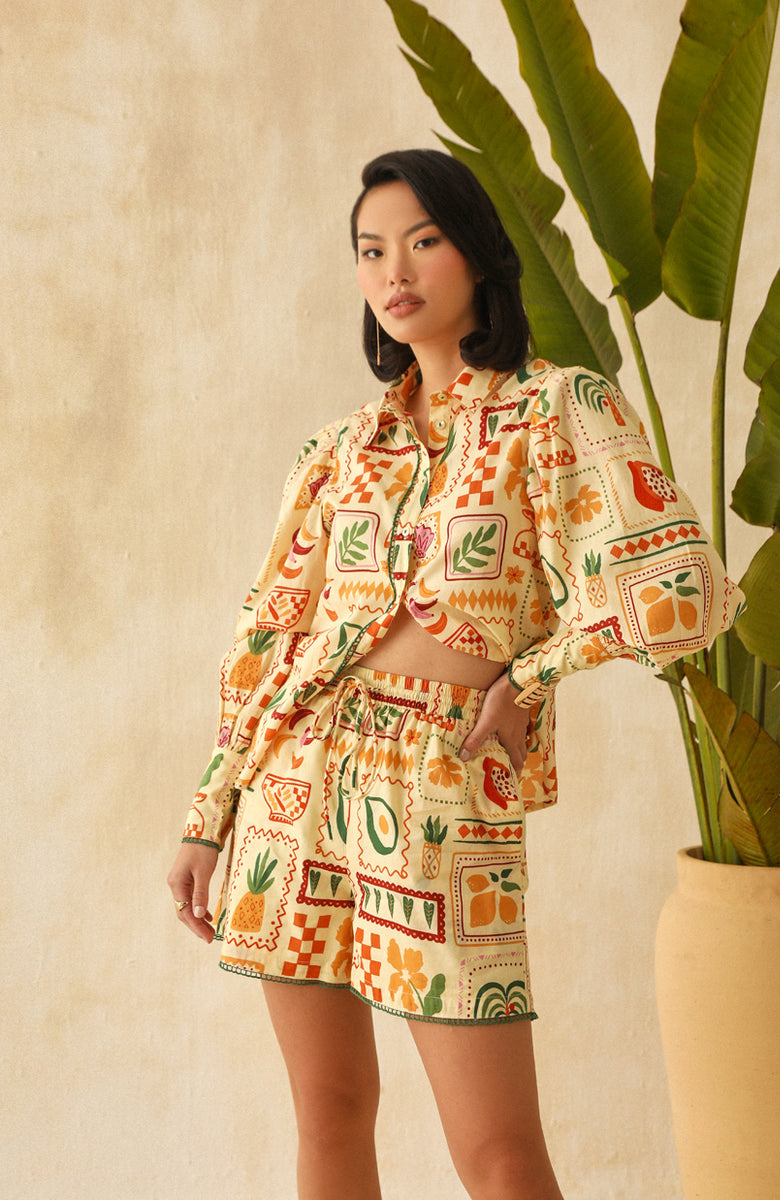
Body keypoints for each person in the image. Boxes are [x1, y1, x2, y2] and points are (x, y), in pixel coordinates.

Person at [168, 149, 744, 1200]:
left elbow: (684, 589)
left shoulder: (554, 408)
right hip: (295, 783)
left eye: (422, 240)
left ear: (476, 252)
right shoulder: (341, 449)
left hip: (438, 782)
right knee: (329, 1113)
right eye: (370, 250)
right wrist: (210, 813)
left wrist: (530, 675)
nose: (394, 271)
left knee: (498, 1151)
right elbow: (270, 638)